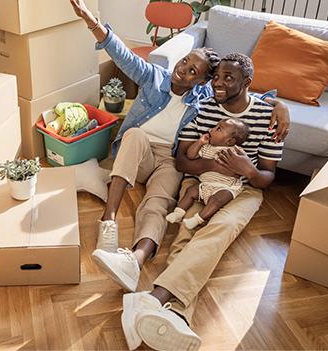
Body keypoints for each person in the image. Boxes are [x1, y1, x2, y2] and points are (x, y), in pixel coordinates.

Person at [69, 0, 290, 293]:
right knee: (134, 135)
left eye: (192, 71)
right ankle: (109, 220)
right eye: (185, 61)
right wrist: (90, 20)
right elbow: (122, 54)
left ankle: (135, 260)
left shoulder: (204, 98)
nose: (182, 69)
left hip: (170, 161)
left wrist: (280, 104)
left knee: (157, 203)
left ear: (201, 81)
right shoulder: (153, 78)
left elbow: (250, 96)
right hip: (139, 151)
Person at [121, 53, 285, 351]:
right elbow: (183, 161)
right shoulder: (204, 109)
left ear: (247, 83)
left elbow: (266, 177)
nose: (219, 84)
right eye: (217, 77)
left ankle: (152, 300)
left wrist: (245, 169)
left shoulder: (268, 117)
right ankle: (178, 316)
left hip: (243, 190)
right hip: (200, 182)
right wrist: (213, 168)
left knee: (217, 231)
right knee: (186, 234)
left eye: (229, 79)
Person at [166, 117, 249, 230]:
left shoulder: (235, 152)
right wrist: (200, 142)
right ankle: (178, 213)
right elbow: (190, 156)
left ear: (229, 141)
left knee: (216, 200)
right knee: (191, 191)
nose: (211, 129)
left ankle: (197, 219)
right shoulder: (206, 147)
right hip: (206, 184)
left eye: (218, 129)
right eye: (215, 126)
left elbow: (244, 168)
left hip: (227, 187)